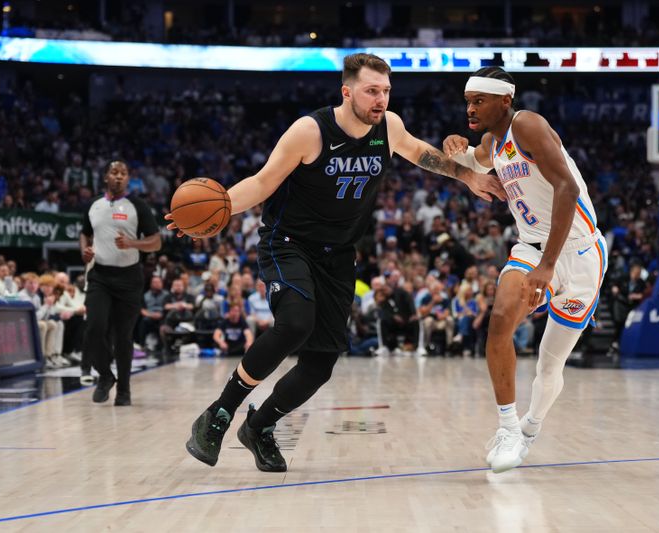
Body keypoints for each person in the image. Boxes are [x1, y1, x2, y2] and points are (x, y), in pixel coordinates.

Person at [167, 53, 504, 472]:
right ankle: (219, 413)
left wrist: (468, 176)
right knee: (294, 324)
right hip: (288, 243)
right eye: (371, 91)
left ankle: (260, 427)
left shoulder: (389, 126)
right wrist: (211, 214)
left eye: (385, 91)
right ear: (347, 92)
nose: (380, 99)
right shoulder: (310, 131)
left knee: (319, 365)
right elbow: (262, 182)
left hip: (339, 255)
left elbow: (421, 154)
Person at [443, 66, 608, 473]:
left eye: (479, 101)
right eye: (467, 101)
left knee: (550, 366)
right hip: (532, 249)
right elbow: (477, 161)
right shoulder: (491, 140)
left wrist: (549, 267)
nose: (470, 108)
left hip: (581, 254)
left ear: (505, 100)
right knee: (500, 321)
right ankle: (507, 429)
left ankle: (529, 428)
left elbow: (566, 188)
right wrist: (456, 150)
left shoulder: (528, 125)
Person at [80, 161, 161, 405]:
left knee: (123, 336)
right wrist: (85, 250)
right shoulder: (94, 205)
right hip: (100, 276)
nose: (118, 177)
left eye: (123, 173)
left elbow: (156, 242)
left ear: (128, 179)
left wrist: (133, 244)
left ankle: (124, 391)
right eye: (114, 173)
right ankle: (105, 376)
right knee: (94, 329)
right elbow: (85, 232)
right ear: (106, 177)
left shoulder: (138, 206)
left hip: (129, 278)